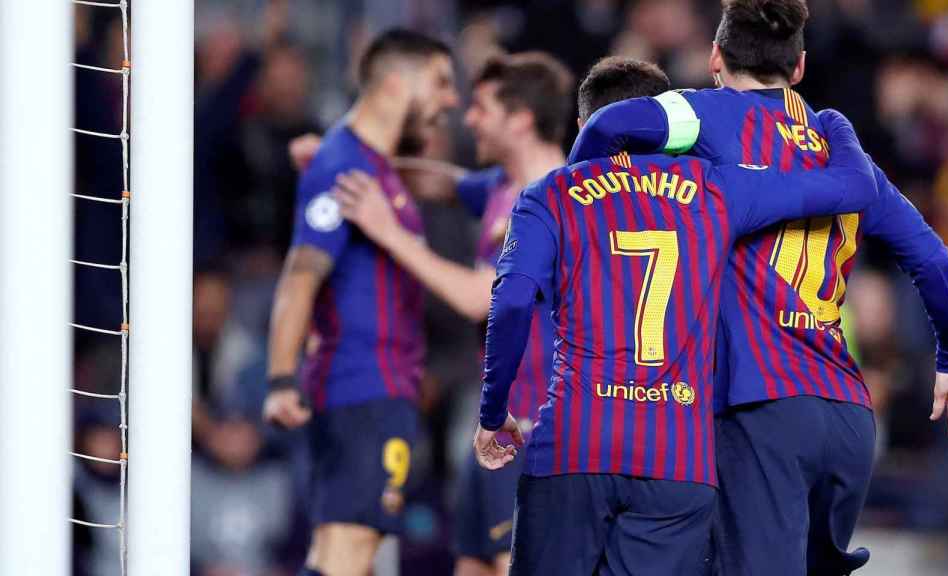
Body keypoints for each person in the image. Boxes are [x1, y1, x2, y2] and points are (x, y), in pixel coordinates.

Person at [567, 1, 948, 574]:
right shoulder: (839, 147)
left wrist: (577, 217)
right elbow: (931, 257)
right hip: (846, 416)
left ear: (715, 58)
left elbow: (607, 124)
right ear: (798, 68)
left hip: (763, 409)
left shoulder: (703, 113)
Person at [476, 57, 880, 574]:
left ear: (584, 127)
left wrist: (493, 413)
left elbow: (509, 301)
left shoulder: (550, 195)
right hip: (677, 459)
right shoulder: (717, 188)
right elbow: (850, 187)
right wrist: (838, 126)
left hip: (574, 441)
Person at [333, 51, 574, 576]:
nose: (468, 119)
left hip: (533, 424)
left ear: (521, 118)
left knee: (511, 564)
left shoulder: (554, 199)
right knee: (470, 563)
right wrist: (344, 159)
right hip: (494, 419)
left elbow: (479, 297)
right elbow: (438, 180)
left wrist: (385, 228)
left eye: (482, 107)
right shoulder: (500, 187)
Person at [260, 29, 458, 576]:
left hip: (372, 388)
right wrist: (279, 377)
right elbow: (301, 273)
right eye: (440, 82)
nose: (450, 100)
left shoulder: (368, 165)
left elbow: (454, 184)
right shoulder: (343, 167)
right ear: (397, 83)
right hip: (363, 387)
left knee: (344, 557)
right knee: (347, 555)